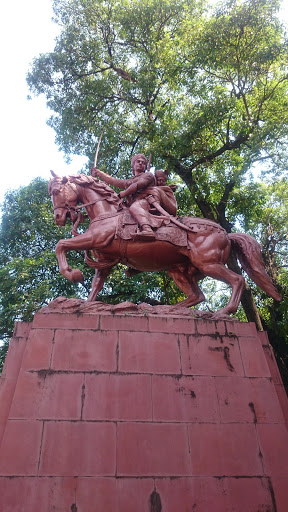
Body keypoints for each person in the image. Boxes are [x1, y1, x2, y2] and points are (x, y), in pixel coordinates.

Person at [91, 155, 177, 240]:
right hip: (136, 202)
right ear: (133, 165)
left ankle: (147, 230)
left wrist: (124, 193)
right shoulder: (131, 180)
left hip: (147, 202)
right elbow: (115, 181)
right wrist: (99, 173)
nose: (140, 163)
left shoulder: (148, 175)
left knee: (135, 207)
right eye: (138, 161)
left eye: (143, 163)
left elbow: (137, 185)